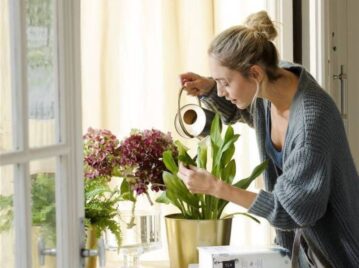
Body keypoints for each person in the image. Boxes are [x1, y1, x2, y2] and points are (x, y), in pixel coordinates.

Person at [177, 10, 359, 268]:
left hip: (343, 254)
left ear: (255, 74)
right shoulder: (272, 84)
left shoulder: (311, 123)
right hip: (303, 253)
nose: (221, 90)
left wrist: (217, 188)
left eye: (224, 82)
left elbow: (289, 212)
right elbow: (249, 111)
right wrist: (208, 87)